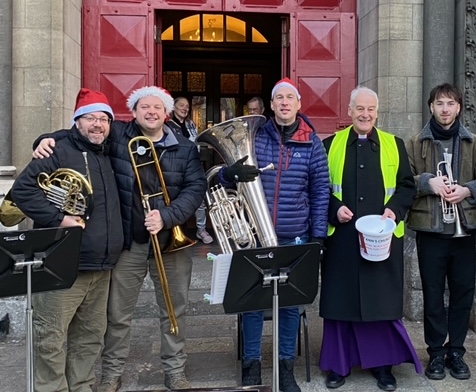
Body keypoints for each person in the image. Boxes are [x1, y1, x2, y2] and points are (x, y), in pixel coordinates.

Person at [34, 86, 207, 392]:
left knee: (173, 310)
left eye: (157, 107)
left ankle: (175, 371)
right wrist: (44, 140)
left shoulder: (184, 147)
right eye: (145, 107)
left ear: (166, 113)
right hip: (130, 242)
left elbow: (195, 188)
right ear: (135, 111)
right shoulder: (117, 135)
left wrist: (167, 216)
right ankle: (112, 373)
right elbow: (80, 132)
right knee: (117, 313)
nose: (151, 112)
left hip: (171, 242)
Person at [219, 77, 330, 392]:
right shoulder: (253, 136)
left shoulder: (312, 143)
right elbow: (224, 177)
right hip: (255, 234)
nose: (284, 103)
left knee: (291, 305)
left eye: (289, 98)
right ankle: (252, 365)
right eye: (278, 98)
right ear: (271, 105)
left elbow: (321, 191)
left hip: (295, 236)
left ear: (298, 104)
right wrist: (231, 173)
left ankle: (285, 368)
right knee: (253, 301)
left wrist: (318, 237)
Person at [12, 89, 124, 392]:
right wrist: (60, 219)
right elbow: (22, 192)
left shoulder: (109, 151)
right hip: (61, 264)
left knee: (89, 338)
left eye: (104, 119)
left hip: (100, 266)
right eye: (90, 118)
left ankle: (82, 387)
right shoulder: (57, 150)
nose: (98, 124)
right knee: (50, 338)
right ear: (77, 122)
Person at [319, 86, 420, 392]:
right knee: (340, 303)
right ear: (349, 111)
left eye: (370, 109)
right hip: (343, 239)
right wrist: (335, 209)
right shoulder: (330, 144)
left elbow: (406, 187)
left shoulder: (394, 144)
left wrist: (394, 209)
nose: (365, 114)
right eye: (359, 109)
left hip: (381, 239)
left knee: (380, 303)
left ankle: (382, 366)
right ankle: (338, 365)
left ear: (378, 112)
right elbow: (319, 188)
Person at [405, 83, 476, 381]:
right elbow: (404, 179)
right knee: (432, 295)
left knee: (462, 293)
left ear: (458, 108)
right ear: (431, 107)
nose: (444, 109)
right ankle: (436, 353)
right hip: (431, 231)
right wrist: (428, 183)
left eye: (450, 103)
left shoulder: (474, 143)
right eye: (439, 103)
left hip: (464, 232)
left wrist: (467, 189)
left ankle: (456, 350)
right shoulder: (415, 143)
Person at [166, 96, 213, 245]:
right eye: (181, 105)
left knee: (199, 199)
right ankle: (176, 231)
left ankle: (201, 230)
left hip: (193, 166)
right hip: (175, 168)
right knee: (175, 199)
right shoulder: (167, 125)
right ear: (174, 107)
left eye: (187, 106)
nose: (185, 108)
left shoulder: (191, 124)